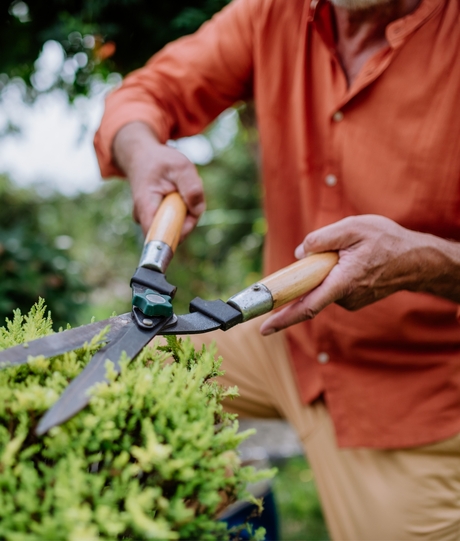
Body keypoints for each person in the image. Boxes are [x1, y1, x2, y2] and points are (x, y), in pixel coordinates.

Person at [94, 0, 460, 538]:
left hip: (412, 388)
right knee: (118, 381)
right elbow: (142, 96)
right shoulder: (274, 13)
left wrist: (424, 261)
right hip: (279, 336)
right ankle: (236, 510)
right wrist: (142, 150)